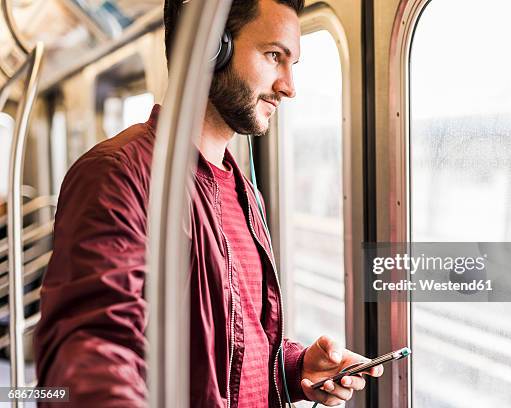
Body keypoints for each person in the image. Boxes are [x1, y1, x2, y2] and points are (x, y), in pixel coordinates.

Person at [33, 0, 383, 406]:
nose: (289, 86)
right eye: (274, 56)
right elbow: (90, 353)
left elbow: (229, 344)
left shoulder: (245, 193)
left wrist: (293, 367)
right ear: (211, 50)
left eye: (293, 65)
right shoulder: (118, 175)